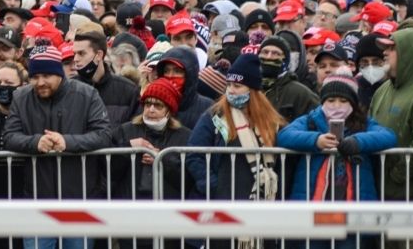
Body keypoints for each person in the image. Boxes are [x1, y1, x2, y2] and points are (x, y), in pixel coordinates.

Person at [3, 44, 111, 249]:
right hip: (36, 201)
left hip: (79, 200)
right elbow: (9, 136)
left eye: (46, 76)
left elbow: (104, 134)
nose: (40, 82)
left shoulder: (87, 95)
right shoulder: (21, 97)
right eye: (35, 77)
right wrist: (35, 142)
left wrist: (67, 142)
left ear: (59, 73)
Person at [278, 68, 396, 249]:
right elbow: (285, 135)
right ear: (322, 101)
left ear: (353, 103)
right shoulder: (310, 120)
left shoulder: (364, 123)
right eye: (331, 100)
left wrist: (358, 142)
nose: (336, 105)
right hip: (313, 211)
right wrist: (315, 140)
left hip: (353, 215)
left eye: (343, 100)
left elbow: (388, 136)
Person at [187, 54, 285, 201]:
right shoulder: (214, 116)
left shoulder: (271, 121)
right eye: (229, 85)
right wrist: (214, 187)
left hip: (258, 200)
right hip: (220, 200)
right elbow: (194, 155)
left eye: (237, 86)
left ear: (252, 90)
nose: (231, 90)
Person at [112, 78, 191, 249]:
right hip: (130, 216)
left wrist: (163, 160)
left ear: (169, 110)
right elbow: (110, 169)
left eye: (158, 105)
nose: (151, 110)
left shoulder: (184, 136)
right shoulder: (126, 131)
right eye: (147, 104)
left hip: (169, 219)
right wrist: (128, 148)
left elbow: (187, 179)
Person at [369, 28, 413, 202]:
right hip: (381, 191)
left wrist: (397, 176)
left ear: (409, 53)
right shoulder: (382, 90)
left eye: (392, 48)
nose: (384, 53)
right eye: (385, 48)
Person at [73, 30, 139, 127]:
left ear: (99, 55)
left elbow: (133, 132)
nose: (75, 59)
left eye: (81, 53)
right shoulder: (69, 89)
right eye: (74, 53)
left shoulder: (128, 90)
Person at [258, 36, 319, 121]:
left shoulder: (300, 93)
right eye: (265, 52)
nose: (268, 57)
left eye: (276, 53)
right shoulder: (249, 88)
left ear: (285, 60)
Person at [154, 47, 212, 129]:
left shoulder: (208, 108)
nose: (170, 76)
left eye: (177, 71)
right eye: (166, 71)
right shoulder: (152, 103)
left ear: (190, 75)